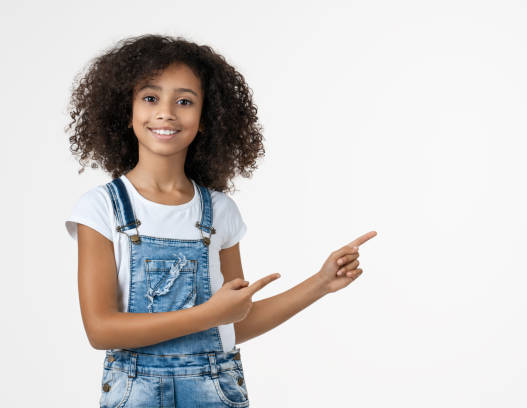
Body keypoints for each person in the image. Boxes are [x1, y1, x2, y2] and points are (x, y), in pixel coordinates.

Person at [64, 33, 377, 407]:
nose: (166, 112)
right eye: (150, 98)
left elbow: (233, 322)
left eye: (184, 101)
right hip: (135, 392)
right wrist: (206, 314)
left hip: (215, 391)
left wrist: (321, 283)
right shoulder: (101, 208)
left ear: (206, 118)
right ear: (125, 111)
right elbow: (101, 329)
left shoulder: (220, 212)